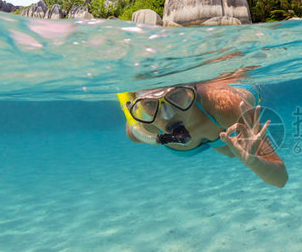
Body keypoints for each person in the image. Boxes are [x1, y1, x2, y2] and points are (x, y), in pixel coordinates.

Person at [117, 79, 288, 188]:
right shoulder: (143, 127)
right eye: (149, 104)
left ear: (191, 88)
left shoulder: (224, 106)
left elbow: (281, 179)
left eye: (176, 95)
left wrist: (253, 162)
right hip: (217, 131)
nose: (167, 115)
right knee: (227, 148)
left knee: (231, 151)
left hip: (222, 111)